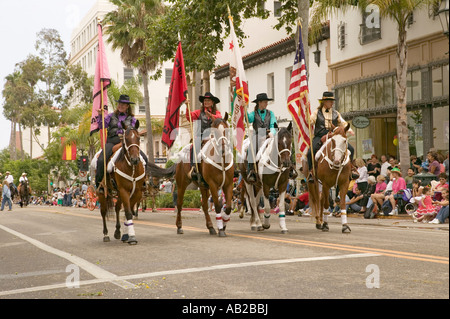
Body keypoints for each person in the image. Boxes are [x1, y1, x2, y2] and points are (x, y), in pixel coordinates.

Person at [95, 94, 150, 193]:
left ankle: (143, 182)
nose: (121, 106)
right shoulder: (111, 116)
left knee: (144, 158)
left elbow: (133, 130)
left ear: (127, 106)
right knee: (101, 160)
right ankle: (100, 185)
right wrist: (100, 115)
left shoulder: (132, 119)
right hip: (112, 141)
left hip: (127, 142)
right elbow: (101, 125)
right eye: (120, 103)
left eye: (123, 104)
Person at [305, 91, 354, 182]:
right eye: (330, 101)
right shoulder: (316, 112)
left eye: (332, 101)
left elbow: (343, 122)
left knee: (351, 149)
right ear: (324, 102)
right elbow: (310, 122)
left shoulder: (336, 113)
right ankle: (312, 172)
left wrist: (350, 130)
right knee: (309, 153)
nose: (332, 103)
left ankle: (351, 169)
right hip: (320, 135)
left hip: (334, 136)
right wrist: (306, 111)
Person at [185, 92, 222, 183]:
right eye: (205, 100)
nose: (206, 102)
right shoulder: (198, 112)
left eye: (208, 100)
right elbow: (189, 117)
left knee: (225, 145)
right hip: (201, 137)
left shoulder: (217, 113)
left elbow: (219, 120)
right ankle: (194, 168)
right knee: (194, 147)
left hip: (213, 137)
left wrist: (211, 116)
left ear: (212, 102)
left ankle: (231, 169)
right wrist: (187, 106)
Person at [246, 93, 277, 182]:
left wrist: (272, 132)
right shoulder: (253, 114)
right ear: (259, 103)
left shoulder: (271, 113)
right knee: (250, 149)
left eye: (267, 102)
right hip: (258, 135)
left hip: (269, 135)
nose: (267, 104)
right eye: (265, 102)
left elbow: (273, 124)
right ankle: (251, 171)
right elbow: (248, 119)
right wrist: (244, 108)